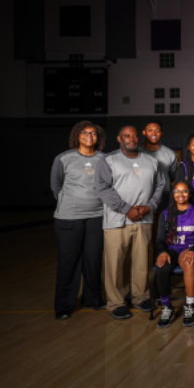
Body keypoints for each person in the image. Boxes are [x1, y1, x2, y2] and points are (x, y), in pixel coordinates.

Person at [95, 125, 165, 320]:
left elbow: (160, 185)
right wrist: (126, 209)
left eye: (134, 135)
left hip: (144, 219)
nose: (131, 139)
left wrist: (149, 206)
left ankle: (140, 296)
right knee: (115, 262)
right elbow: (102, 188)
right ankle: (116, 302)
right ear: (119, 138)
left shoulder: (151, 161)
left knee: (142, 261)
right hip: (117, 220)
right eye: (127, 135)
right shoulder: (108, 160)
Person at [51, 120, 107, 320]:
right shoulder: (64, 159)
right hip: (69, 217)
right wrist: (73, 203)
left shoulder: (104, 159)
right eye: (85, 133)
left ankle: (93, 299)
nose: (89, 136)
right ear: (77, 136)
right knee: (69, 261)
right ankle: (64, 305)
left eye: (93, 134)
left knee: (93, 260)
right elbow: (56, 186)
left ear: (98, 138)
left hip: (97, 217)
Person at [154, 181, 194, 328]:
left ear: (189, 193)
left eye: (184, 191)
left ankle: (190, 306)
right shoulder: (166, 213)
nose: (180, 194)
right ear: (173, 194)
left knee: (189, 263)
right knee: (161, 266)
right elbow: (160, 239)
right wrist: (162, 252)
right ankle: (166, 307)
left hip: (191, 248)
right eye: (177, 191)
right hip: (172, 249)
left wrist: (193, 249)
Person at [139, 120, 178, 216]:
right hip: (141, 200)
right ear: (144, 132)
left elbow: (172, 176)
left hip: (163, 199)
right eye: (150, 130)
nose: (154, 133)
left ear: (161, 134)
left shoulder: (170, 154)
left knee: (161, 229)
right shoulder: (136, 152)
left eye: (157, 131)